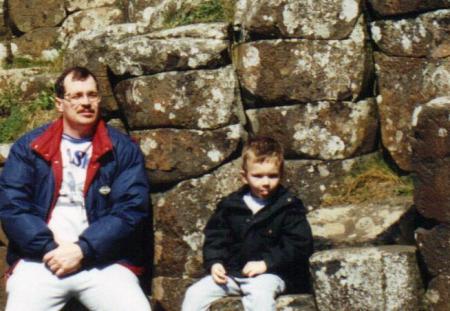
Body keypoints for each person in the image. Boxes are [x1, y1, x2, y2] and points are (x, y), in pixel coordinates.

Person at [0, 66, 152, 310]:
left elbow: (131, 209)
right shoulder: (29, 147)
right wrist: (50, 248)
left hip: (102, 260)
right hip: (41, 260)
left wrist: (83, 249)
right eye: (77, 96)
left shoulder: (121, 149)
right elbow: (13, 207)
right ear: (60, 103)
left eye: (92, 95)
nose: (86, 102)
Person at [182, 136, 313, 311]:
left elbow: (299, 244)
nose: (265, 182)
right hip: (233, 273)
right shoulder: (231, 205)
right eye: (257, 176)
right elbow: (216, 237)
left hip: (271, 274)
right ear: (245, 177)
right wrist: (215, 262)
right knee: (195, 293)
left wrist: (266, 263)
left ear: (281, 175)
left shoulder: (289, 206)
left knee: (260, 297)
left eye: (272, 176)